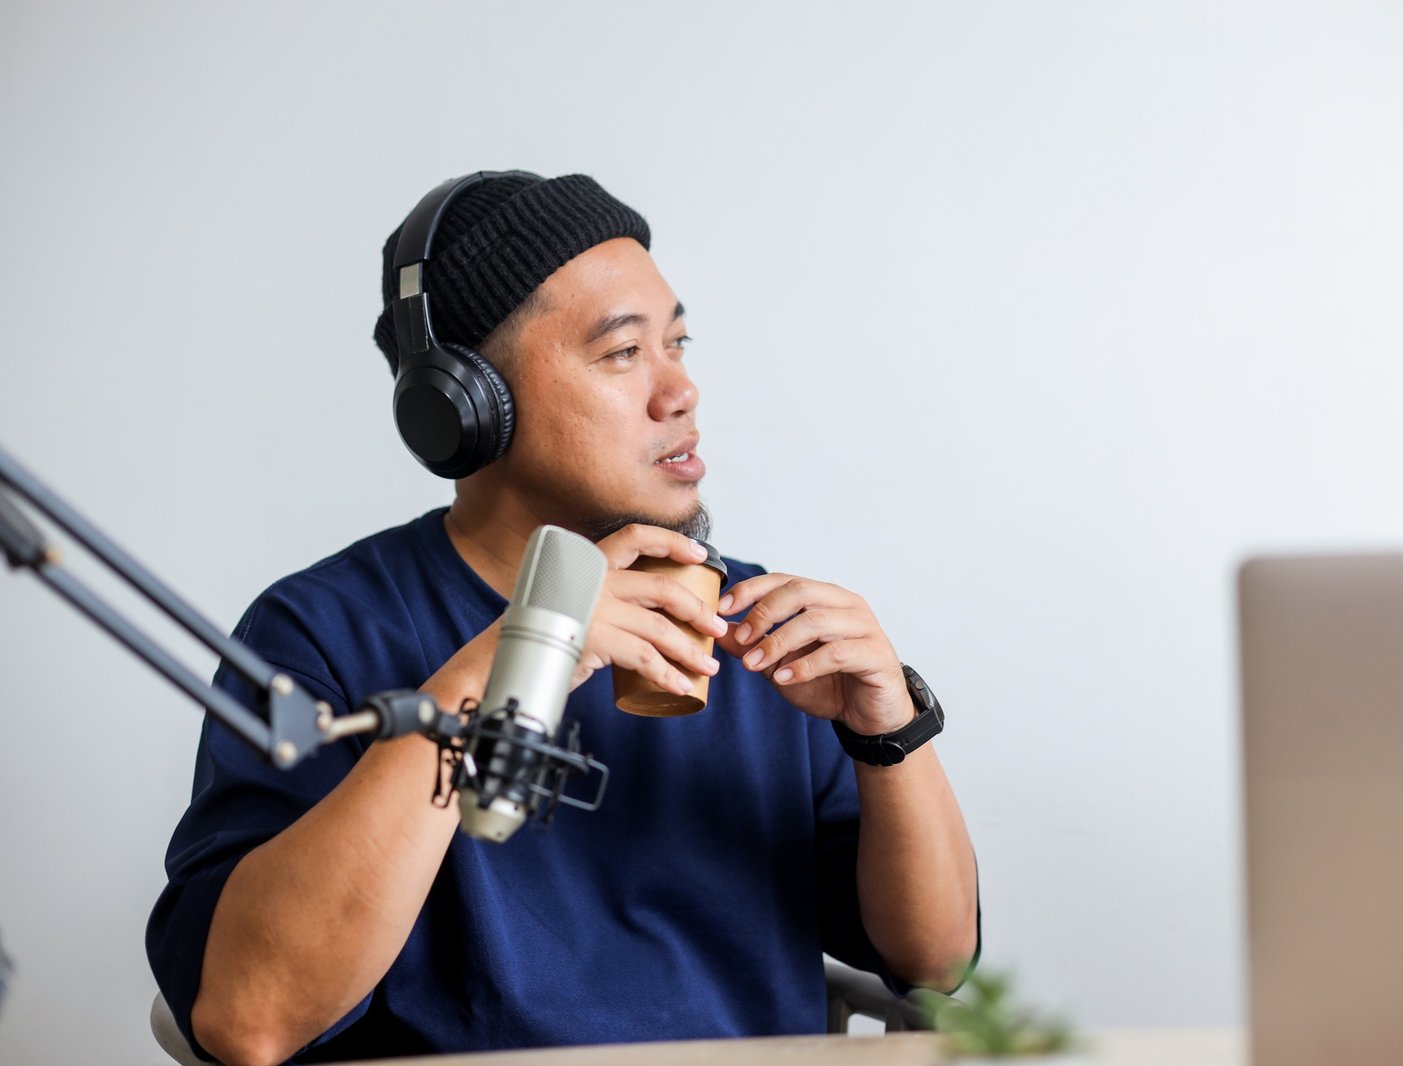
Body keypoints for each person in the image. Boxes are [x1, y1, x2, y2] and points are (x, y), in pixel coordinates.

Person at [147, 171, 979, 1066]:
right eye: (623, 354)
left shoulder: (764, 630)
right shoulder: (323, 633)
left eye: (679, 342)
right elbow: (249, 1015)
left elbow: (934, 961)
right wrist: (516, 656)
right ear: (467, 405)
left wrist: (890, 732)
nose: (681, 391)